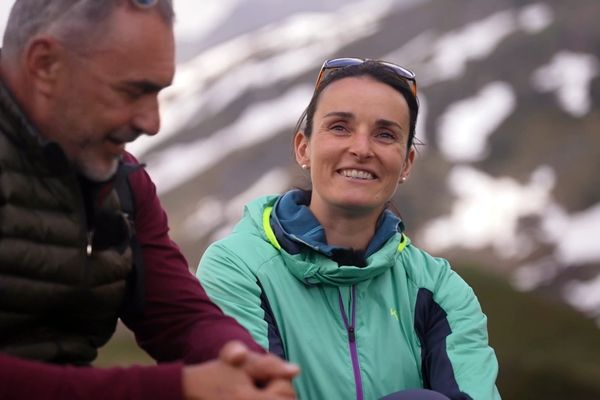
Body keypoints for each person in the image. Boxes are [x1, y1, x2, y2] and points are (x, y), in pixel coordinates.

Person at [0, 0, 299, 399]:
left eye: (157, 93)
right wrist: (177, 389)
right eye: (132, 91)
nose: (152, 123)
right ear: (45, 64)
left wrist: (243, 362)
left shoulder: (120, 181)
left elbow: (179, 314)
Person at [197, 58, 501, 399]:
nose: (361, 149)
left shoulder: (439, 290)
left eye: (385, 135)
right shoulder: (238, 268)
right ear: (303, 147)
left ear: (406, 164)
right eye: (340, 127)